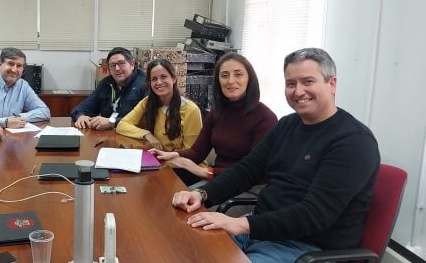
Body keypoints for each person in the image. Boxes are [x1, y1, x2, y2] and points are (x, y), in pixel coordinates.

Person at [172, 48, 380, 263]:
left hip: (308, 248)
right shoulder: (287, 124)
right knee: (185, 247)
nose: (298, 91)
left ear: (332, 84)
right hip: (261, 230)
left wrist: (241, 224)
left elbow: (315, 214)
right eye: (291, 84)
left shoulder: (354, 141)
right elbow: (248, 169)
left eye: (308, 82)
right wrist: (202, 195)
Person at [150, 53, 277, 186]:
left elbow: (255, 171)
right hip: (217, 180)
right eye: (224, 75)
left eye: (238, 74)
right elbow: (197, 152)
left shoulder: (265, 118)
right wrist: (172, 154)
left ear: (249, 79)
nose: (230, 81)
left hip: (246, 189)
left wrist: (206, 172)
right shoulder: (217, 112)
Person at [116, 59, 203, 151]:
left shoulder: (191, 110)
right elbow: (122, 125)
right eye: (154, 79)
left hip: (182, 162)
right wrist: (147, 134)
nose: (159, 82)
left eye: (163, 77)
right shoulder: (147, 102)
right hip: (159, 159)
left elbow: (192, 152)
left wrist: (165, 156)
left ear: (173, 78)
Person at [0, 47, 50, 128]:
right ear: (0, 63)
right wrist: (5, 122)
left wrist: (19, 118)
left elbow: (45, 112)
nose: (14, 70)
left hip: (13, 136)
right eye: (10, 64)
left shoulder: (23, 86)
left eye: (19, 66)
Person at [71, 47, 148, 130]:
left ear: (132, 64)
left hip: (134, 137)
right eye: (113, 65)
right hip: (107, 137)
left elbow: (145, 119)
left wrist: (112, 122)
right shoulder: (106, 83)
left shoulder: (145, 84)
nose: (117, 69)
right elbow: (82, 108)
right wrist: (81, 116)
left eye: (121, 63)